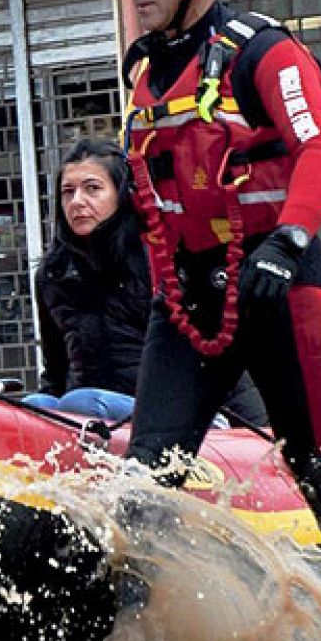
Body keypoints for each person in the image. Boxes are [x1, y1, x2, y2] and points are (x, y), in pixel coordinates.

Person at [107, 0, 321, 641]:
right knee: (145, 480)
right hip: (186, 299)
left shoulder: (264, 52)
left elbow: (320, 152)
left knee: (317, 465)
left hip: (277, 282)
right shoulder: (142, 65)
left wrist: (289, 239)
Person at [25, 139, 266, 427]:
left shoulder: (159, 257)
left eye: (92, 189)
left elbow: (215, 350)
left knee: (81, 402)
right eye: (68, 192)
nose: (77, 201)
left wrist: (260, 429)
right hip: (92, 420)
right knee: (34, 405)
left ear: (122, 195)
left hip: (179, 415)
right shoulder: (53, 275)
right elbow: (55, 370)